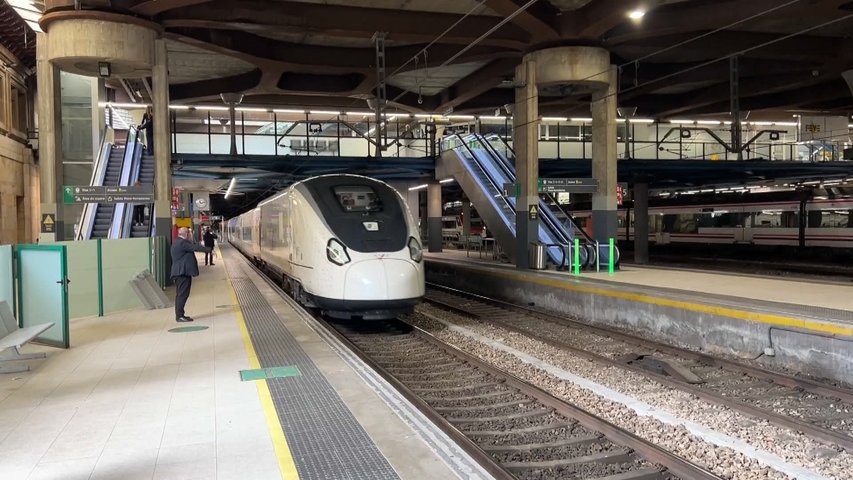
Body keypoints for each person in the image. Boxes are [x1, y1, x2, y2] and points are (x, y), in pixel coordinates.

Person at [171, 227, 211, 322]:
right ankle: (179, 316)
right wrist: (210, 250)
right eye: (189, 234)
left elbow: (193, 245)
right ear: (186, 234)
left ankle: (180, 314)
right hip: (182, 273)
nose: (190, 235)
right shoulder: (182, 243)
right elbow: (195, 247)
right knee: (182, 294)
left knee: (181, 294)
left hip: (180, 273)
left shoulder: (178, 242)